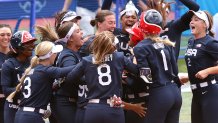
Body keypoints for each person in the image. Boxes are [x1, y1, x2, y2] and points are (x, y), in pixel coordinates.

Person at [66, 31, 139, 123]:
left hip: (93, 108)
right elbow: (137, 71)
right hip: (114, 107)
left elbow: (70, 78)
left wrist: (90, 80)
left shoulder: (87, 60)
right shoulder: (119, 57)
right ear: (113, 44)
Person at [133, 9, 182, 123]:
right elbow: (175, 71)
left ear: (142, 25)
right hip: (175, 92)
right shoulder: (167, 43)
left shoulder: (140, 47)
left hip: (160, 93)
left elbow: (146, 77)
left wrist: (126, 64)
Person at [13, 41, 75, 123]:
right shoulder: (45, 70)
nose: (56, 55)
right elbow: (67, 70)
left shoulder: (34, 69)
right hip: (32, 117)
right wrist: (86, 62)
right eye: (55, 53)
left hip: (21, 114)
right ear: (50, 54)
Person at [36, 21, 84, 123]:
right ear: (70, 38)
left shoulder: (71, 52)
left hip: (64, 101)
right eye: (78, 31)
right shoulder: (68, 56)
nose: (82, 33)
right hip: (65, 102)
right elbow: (72, 76)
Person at [184, 10, 218, 123]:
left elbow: (205, 69)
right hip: (196, 93)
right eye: (191, 20)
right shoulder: (191, 41)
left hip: (209, 93)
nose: (191, 22)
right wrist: (189, 77)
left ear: (205, 24)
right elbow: (198, 63)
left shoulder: (210, 43)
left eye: (196, 19)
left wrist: (208, 71)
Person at [1, 30, 37, 123]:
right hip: (13, 107)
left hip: (31, 108)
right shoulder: (9, 65)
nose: (31, 46)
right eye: (27, 43)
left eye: (32, 43)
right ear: (18, 47)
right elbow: (6, 91)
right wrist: (25, 89)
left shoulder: (34, 62)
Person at [0, 24, 12, 123]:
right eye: (2, 35)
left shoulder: (17, 55)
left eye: (8, 34)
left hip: (14, 102)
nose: (5, 37)